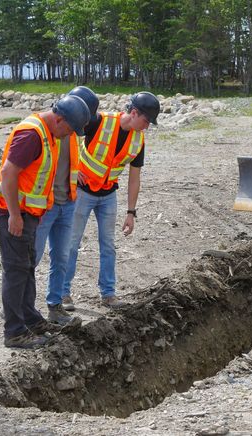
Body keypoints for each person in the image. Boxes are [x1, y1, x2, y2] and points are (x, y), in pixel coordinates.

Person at [0, 95, 91, 349]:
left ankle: (31, 320)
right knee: (15, 271)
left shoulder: (51, 134)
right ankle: (14, 332)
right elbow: (8, 174)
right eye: (68, 129)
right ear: (59, 119)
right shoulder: (32, 135)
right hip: (16, 213)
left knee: (26, 268)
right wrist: (14, 214)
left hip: (32, 213)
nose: (68, 135)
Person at [63, 91, 160, 308]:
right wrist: (72, 168)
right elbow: (67, 133)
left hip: (108, 195)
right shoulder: (98, 121)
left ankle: (108, 294)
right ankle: (63, 293)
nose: (147, 126)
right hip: (82, 192)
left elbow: (135, 178)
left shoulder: (138, 141)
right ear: (134, 113)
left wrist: (131, 212)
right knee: (71, 243)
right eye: (146, 121)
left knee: (108, 246)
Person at [34, 86, 99, 318]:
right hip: (43, 205)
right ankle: (18, 305)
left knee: (61, 257)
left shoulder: (71, 133)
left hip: (67, 202)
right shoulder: (44, 130)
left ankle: (55, 305)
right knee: (32, 257)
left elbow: (73, 160)